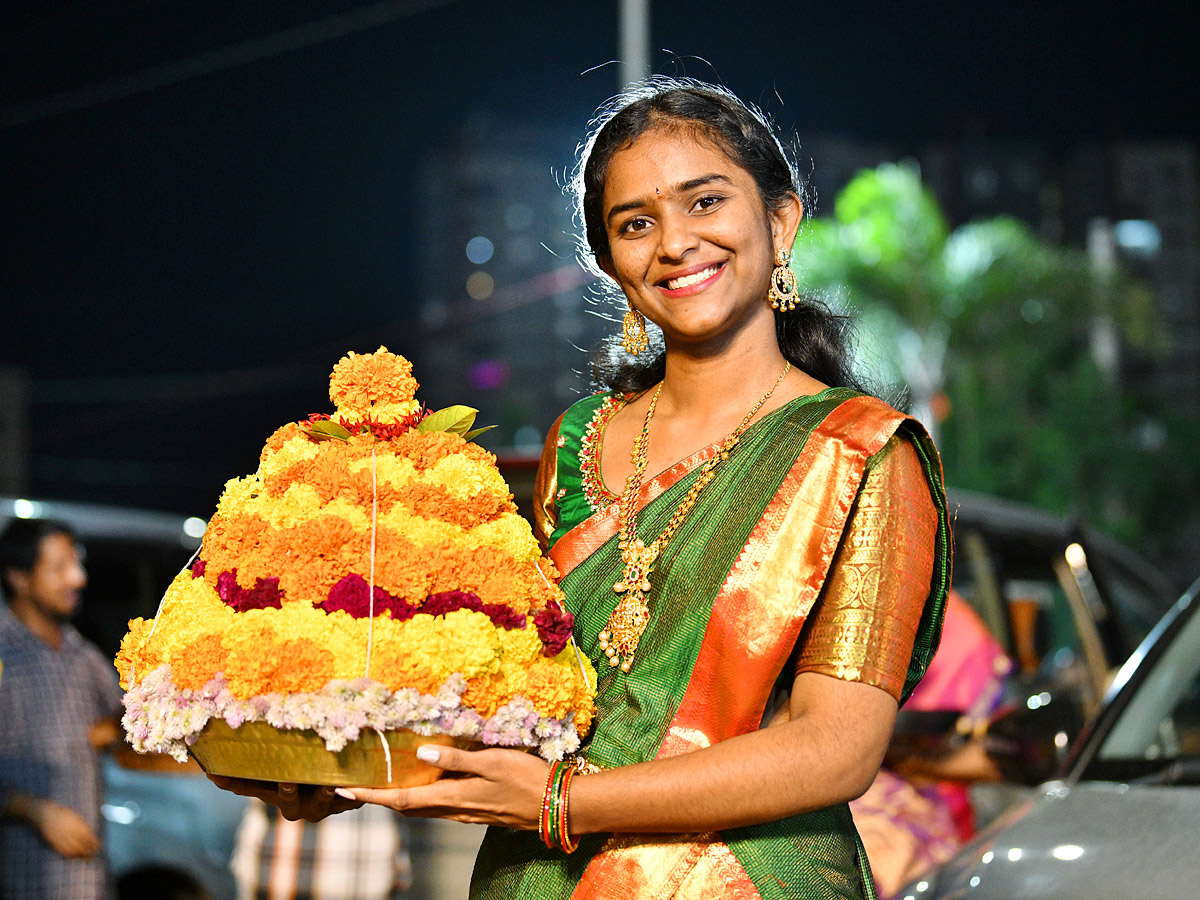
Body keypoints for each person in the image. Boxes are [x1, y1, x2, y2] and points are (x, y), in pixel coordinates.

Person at [229, 77, 952, 899]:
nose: (675, 243)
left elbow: (837, 750)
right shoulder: (576, 442)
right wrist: (336, 758)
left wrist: (561, 802)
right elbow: (514, 692)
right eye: (636, 224)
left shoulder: (861, 453)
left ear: (780, 220)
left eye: (705, 201)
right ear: (610, 262)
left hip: (744, 881)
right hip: (536, 879)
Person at [0, 517, 125, 900]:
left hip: (85, 879)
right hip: (20, 879)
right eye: (59, 568)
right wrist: (36, 811)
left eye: (78, 564)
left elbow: (131, 721)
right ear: (19, 577)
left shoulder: (83, 655)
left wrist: (115, 729)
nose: (77, 579)